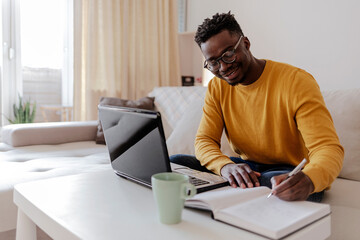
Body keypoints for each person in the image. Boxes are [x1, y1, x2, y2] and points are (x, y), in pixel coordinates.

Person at [170, 12, 344, 202]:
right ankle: (238, 188)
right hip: (249, 168)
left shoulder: (296, 81)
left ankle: (238, 191)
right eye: (213, 62)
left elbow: (327, 148)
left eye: (228, 54)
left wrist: (310, 180)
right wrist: (225, 167)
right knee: (175, 163)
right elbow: (204, 141)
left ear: (245, 44)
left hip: (289, 170)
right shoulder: (216, 88)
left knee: (279, 182)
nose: (223, 67)